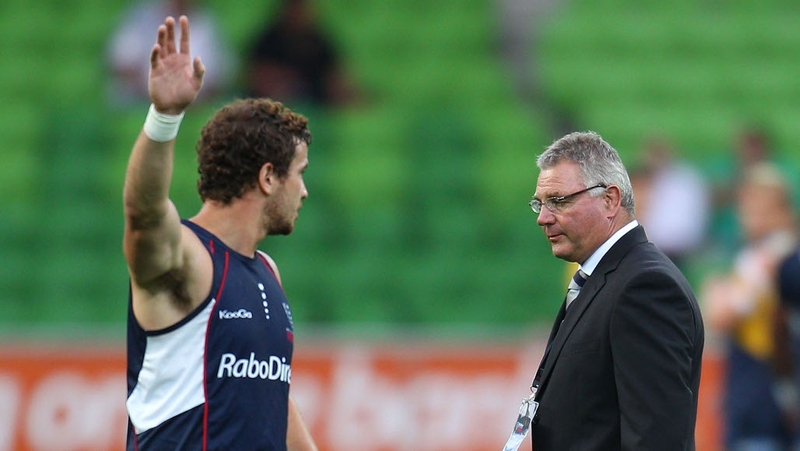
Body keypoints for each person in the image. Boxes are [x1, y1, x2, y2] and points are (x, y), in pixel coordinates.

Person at [123, 16, 316, 450]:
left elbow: (273, 401)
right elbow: (143, 213)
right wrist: (164, 117)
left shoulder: (268, 272)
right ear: (268, 177)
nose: (304, 190)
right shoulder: (187, 261)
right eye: (299, 173)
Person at [526, 131, 704, 450]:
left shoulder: (645, 288)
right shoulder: (601, 278)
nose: (543, 218)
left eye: (558, 201)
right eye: (539, 203)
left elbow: (656, 439)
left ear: (609, 200)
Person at [703, 162, 798, 451]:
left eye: (759, 208)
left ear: (782, 212)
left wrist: (717, 289)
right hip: (768, 390)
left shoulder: (768, 257)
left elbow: (720, 316)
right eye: (746, 207)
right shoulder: (766, 255)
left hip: (761, 394)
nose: (749, 216)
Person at [107, 0, 235, 106]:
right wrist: (159, 93)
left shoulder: (206, 23)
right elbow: (121, 65)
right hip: (138, 107)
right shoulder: (142, 16)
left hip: (192, 110)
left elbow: (217, 80)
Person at [244, 0, 359, 107]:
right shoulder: (268, 40)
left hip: (315, 96)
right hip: (280, 97)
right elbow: (257, 75)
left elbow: (333, 75)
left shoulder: (318, 41)